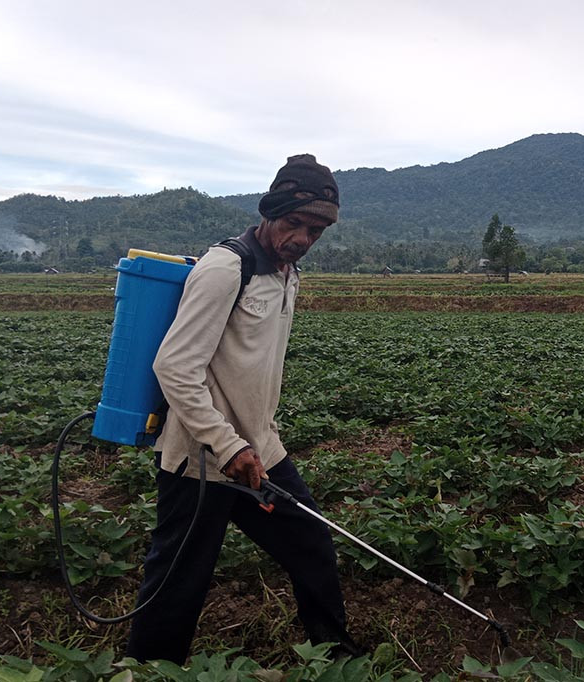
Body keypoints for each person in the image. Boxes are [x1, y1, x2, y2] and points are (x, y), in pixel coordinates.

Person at [125, 154, 363, 664]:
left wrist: (250, 444)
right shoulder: (225, 268)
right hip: (200, 460)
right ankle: (148, 672)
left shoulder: (286, 273)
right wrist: (227, 444)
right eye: (295, 223)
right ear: (270, 211)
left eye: (316, 230)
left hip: (259, 451)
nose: (302, 238)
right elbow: (175, 367)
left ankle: (336, 662)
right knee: (178, 583)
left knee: (312, 547)